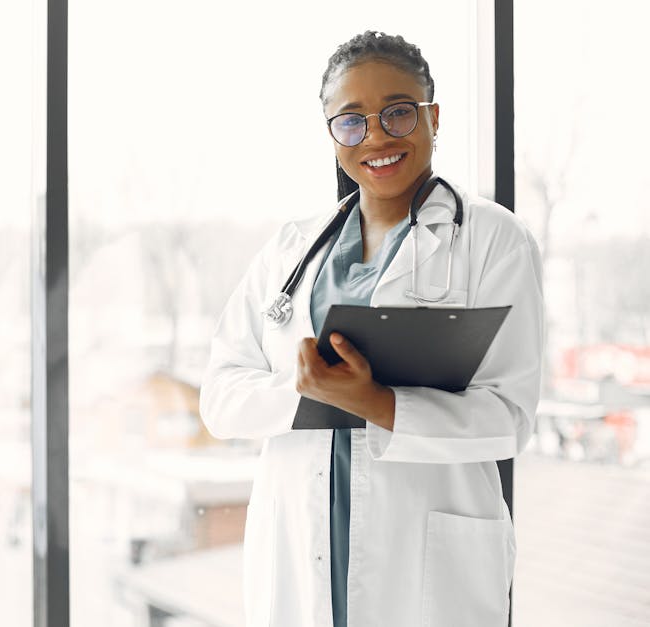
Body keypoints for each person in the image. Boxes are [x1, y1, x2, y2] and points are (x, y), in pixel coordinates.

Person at [199, 31, 543, 627]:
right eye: (351, 120)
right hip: (300, 548)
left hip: (426, 561)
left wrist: (379, 404)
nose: (377, 136)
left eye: (398, 112)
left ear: (433, 117)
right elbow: (220, 400)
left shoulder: (493, 240)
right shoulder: (290, 249)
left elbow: (508, 419)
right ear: (333, 135)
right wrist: (309, 393)